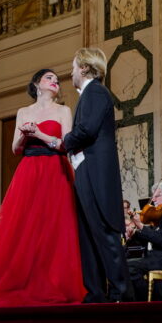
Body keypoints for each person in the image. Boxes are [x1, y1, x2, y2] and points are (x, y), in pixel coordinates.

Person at [0, 68, 86, 308]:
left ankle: (55, 283)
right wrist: (25, 136)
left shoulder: (64, 110)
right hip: (29, 170)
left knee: (55, 226)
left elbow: (65, 143)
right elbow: (15, 148)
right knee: (26, 227)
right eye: (49, 78)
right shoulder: (23, 111)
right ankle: (22, 282)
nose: (55, 82)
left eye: (56, 79)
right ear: (36, 84)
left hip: (55, 169)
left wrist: (40, 134)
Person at [53, 49, 133, 303]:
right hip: (85, 170)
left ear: (85, 68)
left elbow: (86, 130)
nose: (71, 71)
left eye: (74, 66)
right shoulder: (89, 94)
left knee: (104, 233)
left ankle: (122, 295)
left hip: (94, 172)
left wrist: (63, 141)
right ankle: (95, 293)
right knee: (88, 235)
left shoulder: (96, 92)